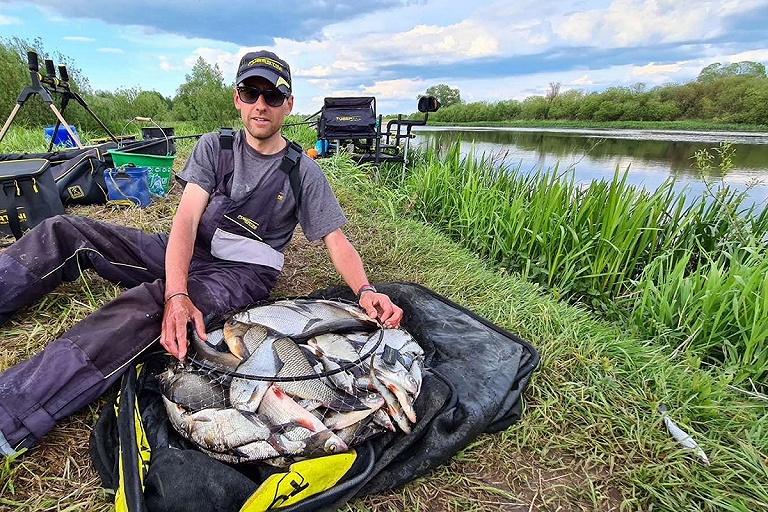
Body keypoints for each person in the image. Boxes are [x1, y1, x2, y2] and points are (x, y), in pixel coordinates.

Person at [0, 50, 403, 457]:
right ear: (237, 98)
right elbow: (187, 220)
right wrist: (179, 291)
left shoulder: (303, 171)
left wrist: (365, 289)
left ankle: (12, 411)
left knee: (147, 307)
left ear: (289, 104)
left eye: (273, 96)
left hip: (240, 274)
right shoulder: (215, 147)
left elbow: (336, 241)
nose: (261, 104)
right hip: (192, 247)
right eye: (251, 92)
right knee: (64, 229)